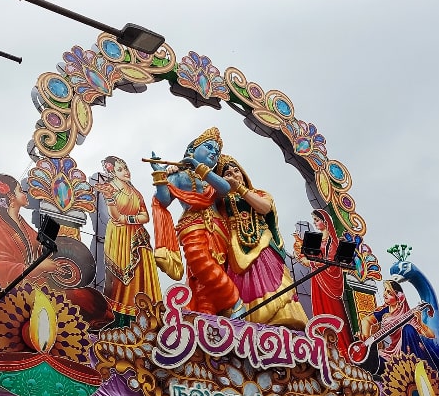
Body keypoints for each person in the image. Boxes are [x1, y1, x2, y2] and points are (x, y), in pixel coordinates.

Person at [149, 127, 243, 317]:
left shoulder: (213, 179)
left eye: (216, 152)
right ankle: (236, 303)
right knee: (200, 263)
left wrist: (198, 166)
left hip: (218, 230)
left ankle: (207, 318)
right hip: (192, 225)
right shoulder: (180, 175)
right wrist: (160, 175)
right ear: (193, 148)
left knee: (204, 277)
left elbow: (225, 188)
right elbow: (164, 200)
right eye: (208, 147)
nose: (213, 153)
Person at [215, 154, 307, 329]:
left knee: (275, 283)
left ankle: (285, 322)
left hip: (264, 247)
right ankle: (246, 325)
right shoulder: (221, 200)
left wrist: (241, 190)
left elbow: (264, 208)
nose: (234, 174)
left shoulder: (259, 193)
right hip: (235, 250)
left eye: (236, 170)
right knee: (241, 287)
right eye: (228, 173)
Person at [93, 156, 161, 326]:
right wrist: (128, 218)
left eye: (126, 167)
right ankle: (120, 321)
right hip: (119, 238)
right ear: (112, 172)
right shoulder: (110, 188)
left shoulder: (135, 192)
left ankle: (147, 318)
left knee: (142, 277)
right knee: (120, 281)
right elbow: (114, 216)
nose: (126, 172)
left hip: (138, 239)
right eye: (120, 169)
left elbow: (145, 217)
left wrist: (127, 219)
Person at [0, 173, 64, 288]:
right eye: (20, 190)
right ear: (11, 196)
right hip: (18, 294)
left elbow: (37, 248)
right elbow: (3, 267)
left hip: (38, 285)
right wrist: (38, 267)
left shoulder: (21, 222)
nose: (25, 194)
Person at [297, 208, 353, 353]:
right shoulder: (317, 239)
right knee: (318, 309)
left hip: (329, 282)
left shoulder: (332, 241)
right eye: (314, 220)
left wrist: (311, 262)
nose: (315, 223)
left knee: (332, 311)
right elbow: (310, 257)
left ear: (326, 222)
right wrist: (305, 258)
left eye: (317, 220)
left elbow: (331, 263)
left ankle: (341, 348)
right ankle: (322, 343)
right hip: (317, 280)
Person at [360, 279, 436, 363]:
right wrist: (366, 339)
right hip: (391, 351)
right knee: (375, 362)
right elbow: (366, 320)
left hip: (408, 350)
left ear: (399, 298)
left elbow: (431, 335)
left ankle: (412, 363)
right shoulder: (385, 310)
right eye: (385, 290)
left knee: (408, 328)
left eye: (389, 293)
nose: (385, 294)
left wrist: (420, 323)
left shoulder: (409, 314)